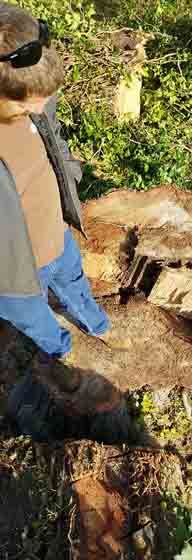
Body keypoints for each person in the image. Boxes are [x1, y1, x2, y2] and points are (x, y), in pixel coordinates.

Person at [0, 3, 116, 387]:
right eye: (26, 101)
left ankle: (93, 320)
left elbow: (55, 141)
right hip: (13, 275)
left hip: (56, 234)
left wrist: (71, 174)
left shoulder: (31, 97)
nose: (39, 107)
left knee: (74, 279)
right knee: (35, 318)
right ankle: (60, 346)